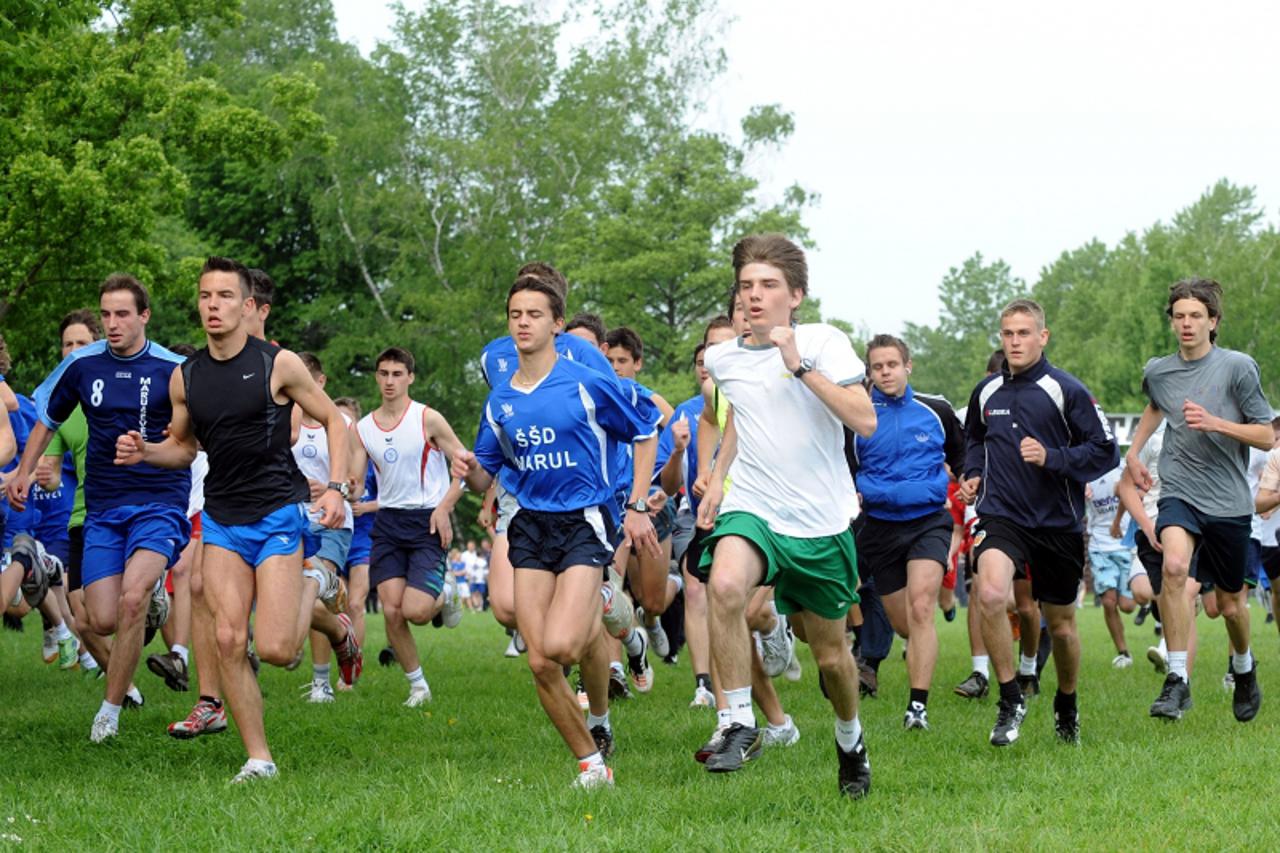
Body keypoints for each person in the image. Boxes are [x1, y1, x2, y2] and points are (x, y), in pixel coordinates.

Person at [115, 256, 359, 783]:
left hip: (276, 513)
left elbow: (334, 422)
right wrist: (145, 452)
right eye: (205, 296)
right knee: (227, 639)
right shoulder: (186, 377)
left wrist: (338, 488)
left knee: (275, 650)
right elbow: (181, 449)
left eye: (225, 296)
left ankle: (313, 582)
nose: (213, 306)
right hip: (223, 519)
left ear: (248, 306)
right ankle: (259, 758)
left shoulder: (279, 364)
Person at [454, 272, 660, 789]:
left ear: (558, 325)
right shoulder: (499, 399)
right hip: (528, 524)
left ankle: (614, 614)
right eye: (515, 315)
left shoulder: (586, 382)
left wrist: (635, 505)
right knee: (541, 660)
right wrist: (464, 469)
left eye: (535, 314)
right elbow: (487, 468)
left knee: (564, 646)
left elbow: (646, 429)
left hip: (584, 520)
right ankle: (592, 766)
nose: (523, 323)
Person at [696, 234, 875, 798]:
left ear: (795, 294)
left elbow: (864, 419)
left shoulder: (824, 341)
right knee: (723, 584)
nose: (754, 296)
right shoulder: (723, 359)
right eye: (746, 286)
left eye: (768, 285)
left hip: (819, 521)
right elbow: (742, 422)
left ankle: (850, 741)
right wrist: (719, 481)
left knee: (832, 658)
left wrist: (797, 366)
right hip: (755, 505)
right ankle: (740, 722)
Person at [8, 275, 193, 743]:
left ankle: (109, 711)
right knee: (100, 618)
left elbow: (189, 448)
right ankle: (152, 599)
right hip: (103, 509)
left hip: (159, 502)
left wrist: (149, 449)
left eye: (122, 314)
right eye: (106, 314)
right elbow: (46, 422)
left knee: (131, 599)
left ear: (144, 316)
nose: (112, 324)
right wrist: (24, 473)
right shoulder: (83, 367)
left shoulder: (173, 370)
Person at [958, 298, 1119, 747]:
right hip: (1001, 514)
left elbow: (1106, 451)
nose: (1014, 341)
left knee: (1063, 626)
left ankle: (1066, 701)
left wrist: (1053, 458)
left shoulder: (1065, 389)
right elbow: (974, 438)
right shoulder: (986, 391)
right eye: (1008, 334)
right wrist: (972, 472)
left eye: (1023, 333)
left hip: (1057, 523)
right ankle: (1010, 698)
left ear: (1042, 336)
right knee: (990, 593)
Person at [1126, 278, 1272, 723]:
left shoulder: (1238, 367)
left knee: (1229, 606)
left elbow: (1266, 434)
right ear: (1171, 322)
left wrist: (1216, 423)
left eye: (1196, 316)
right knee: (1172, 568)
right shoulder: (1159, 371)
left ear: (1213, 322)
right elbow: (1157, 405)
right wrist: (1133, 453)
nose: (1187, 324)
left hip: (1228, 501)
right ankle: (1176, 680)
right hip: (1180, 491)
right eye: (1179, 316)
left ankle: (1244, 669)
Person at [852, 334, 964, 730]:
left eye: (892, 365)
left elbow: (963, 453)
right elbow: (842, 469)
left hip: (928, 521)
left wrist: (970, 477)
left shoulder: (935, 410)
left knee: (921, 609)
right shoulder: (858, 416)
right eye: (878, 367)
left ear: (907, 366)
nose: (885, 372)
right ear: (869, 372)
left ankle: (917, 708)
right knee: (905, 624)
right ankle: (909, 652)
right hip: (880, 529)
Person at [351, 346, 465, 707]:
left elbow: (465, 468)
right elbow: (354, 478)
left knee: (416, 611)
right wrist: (345, 489)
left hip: (427, 519)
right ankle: (418, 686)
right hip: (387, 523)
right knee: (391, 610)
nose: (389, 381)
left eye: (397, 374)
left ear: (410, 377)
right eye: (383, 373)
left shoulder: (427, 419)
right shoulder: (364, 428)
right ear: (376, 376)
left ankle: (446, 592)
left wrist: (446, 506)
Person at [293, 352, 358, 703]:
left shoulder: (342, 426)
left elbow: (357, 482)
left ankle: (321, 683)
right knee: (298, 598)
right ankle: (340, 630)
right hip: (293, 521)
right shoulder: (284, 422)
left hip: (333, 522)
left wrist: (336, 487)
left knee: (313, 587)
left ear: (320, 382)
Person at [1084, 465, 1135, 667]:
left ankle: (1146, 602)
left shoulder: (1124, 467)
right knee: (1107, 601)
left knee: (1128, 605)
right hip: (1099, 544)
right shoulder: (1083, 472)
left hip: (1126, 544)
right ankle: (1123, 652)